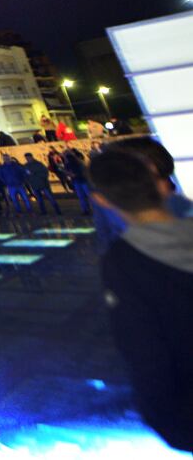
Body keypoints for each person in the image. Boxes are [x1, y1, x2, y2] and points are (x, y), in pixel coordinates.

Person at [86, 148, 193, 451]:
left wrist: (168, 419)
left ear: (102, 200)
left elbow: (143, 348)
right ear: (160, 182)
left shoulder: (123, 261)